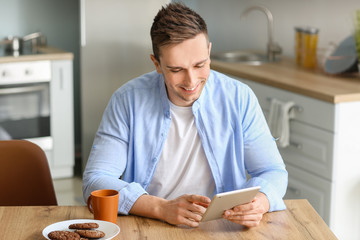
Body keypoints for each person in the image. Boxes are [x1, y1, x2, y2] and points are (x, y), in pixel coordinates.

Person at [83, 2, 288, 228]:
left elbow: (272, 171)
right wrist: (161, 208)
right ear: (157, 64)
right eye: (176, 69)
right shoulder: (127, 100)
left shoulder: (239, 98)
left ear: (209, 51)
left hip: (222, 228)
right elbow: (95, 181)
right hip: (151, 224)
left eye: (200, 65)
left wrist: (260, 202)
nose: (191, 81)